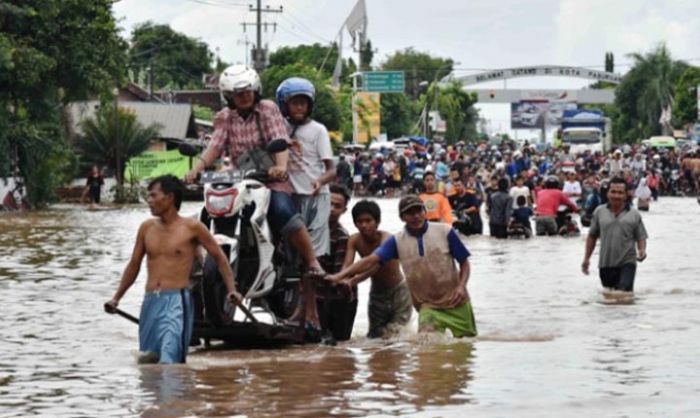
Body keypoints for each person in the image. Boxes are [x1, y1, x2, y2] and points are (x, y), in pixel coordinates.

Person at [183, 65, 325, 287]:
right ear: (229, 96)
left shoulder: (267, 109)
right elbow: (214, 147)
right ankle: (199, 266)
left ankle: (312, 260)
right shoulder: (224, 117)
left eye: (248, 92)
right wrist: (195, 170)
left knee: (281, 210)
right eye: (238, 94)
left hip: (270, 180)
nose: (244, 97)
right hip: (239, 178)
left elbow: (279, 139)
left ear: (255, 90)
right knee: (207, 212)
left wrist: (280, 167)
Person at [104, 175, 241, 364]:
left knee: (169, 363)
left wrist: (232, 290)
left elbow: (220, 259)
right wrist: (116, 298)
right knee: (148, 363)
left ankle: (177, 393)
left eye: (153, 195)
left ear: (169, 198)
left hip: (176, 303)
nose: (149, 201)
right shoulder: (146, 228)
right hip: (150, 301)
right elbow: (134, 265)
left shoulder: (193, 228)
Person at [327, 195, 476, 338]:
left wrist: (462, 286)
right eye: (410, 213)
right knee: (428, 349)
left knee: (465, 346)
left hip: (457, 301)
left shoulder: (445, 231)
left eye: (418, 211)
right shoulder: (397, 241)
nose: (415, 216)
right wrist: (339, 277)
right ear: (402, 217)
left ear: (424, 212)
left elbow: (464, 262)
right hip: (427, 306)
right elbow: (371, 261)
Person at [276, 77, 336, 335]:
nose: (298, 108)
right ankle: (292, 309)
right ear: (284, 105)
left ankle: (310, 313)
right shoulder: (279, 129)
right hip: (289, 198)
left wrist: (319, 182)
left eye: (303, 103)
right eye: (294, 103)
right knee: (290, 258)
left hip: (316, 198)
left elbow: (332, 170)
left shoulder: (318, 130)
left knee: (312, 260)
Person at [327, 200, 412, 339]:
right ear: (355, 223)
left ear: (377, 222)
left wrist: (353, 280)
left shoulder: (387, 239)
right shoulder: (354, 240)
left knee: (397, 335)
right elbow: (347, 265)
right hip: (377, 294)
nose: (364, 225)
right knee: (375, 337)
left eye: (368, 220)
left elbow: (375, 265)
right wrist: (342, 279)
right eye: (359, 221)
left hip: (399, 292)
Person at [582, 177, 648, 292]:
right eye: (613, 192)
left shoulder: (634, 214)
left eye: (620, 193)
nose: (616, 196)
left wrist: (642, 250)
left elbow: (641, 236)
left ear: (625, 195)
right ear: (607, 193)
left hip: (628, 262)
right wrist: (586, 258)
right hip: (605, 264)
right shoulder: (599, 212)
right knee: (609, 296)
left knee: (623, 293)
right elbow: (592, 236)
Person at [317, 184, 357, 343]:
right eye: (329, 203)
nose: (332, 209)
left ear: (344, 210)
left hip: (337, 297)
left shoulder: (341, 237)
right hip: (315, 293)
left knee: (337, 344)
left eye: (337, 206)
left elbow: (339, 276)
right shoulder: (309, 229)